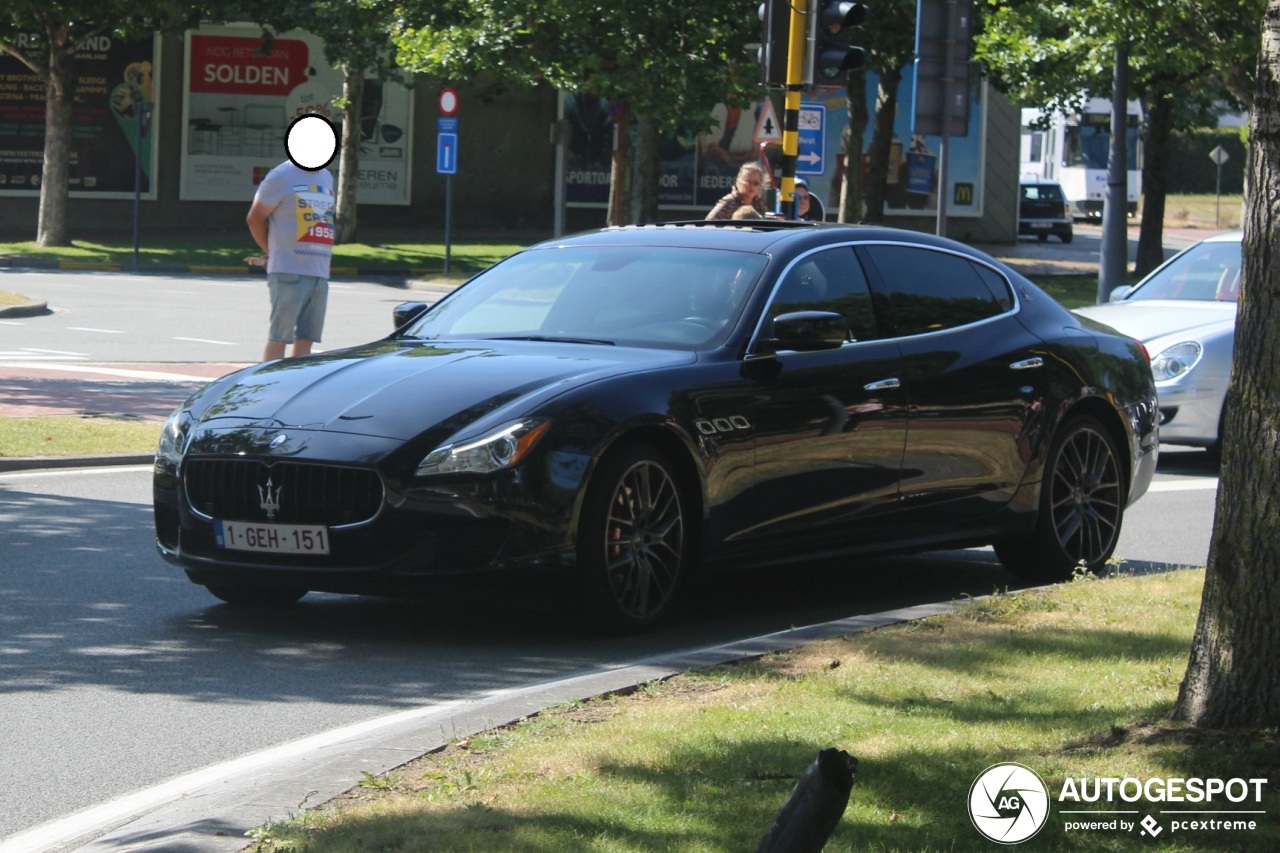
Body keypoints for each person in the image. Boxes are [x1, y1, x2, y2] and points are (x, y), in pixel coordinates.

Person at [246, 114, 338, 361]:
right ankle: (266, 387)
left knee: (306, 339)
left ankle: (297, 390)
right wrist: (271, 251)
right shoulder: (282, 175)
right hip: (288, 270)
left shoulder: (326, 176)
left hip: (319, 271)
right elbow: (255, 218)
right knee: (280, 337)